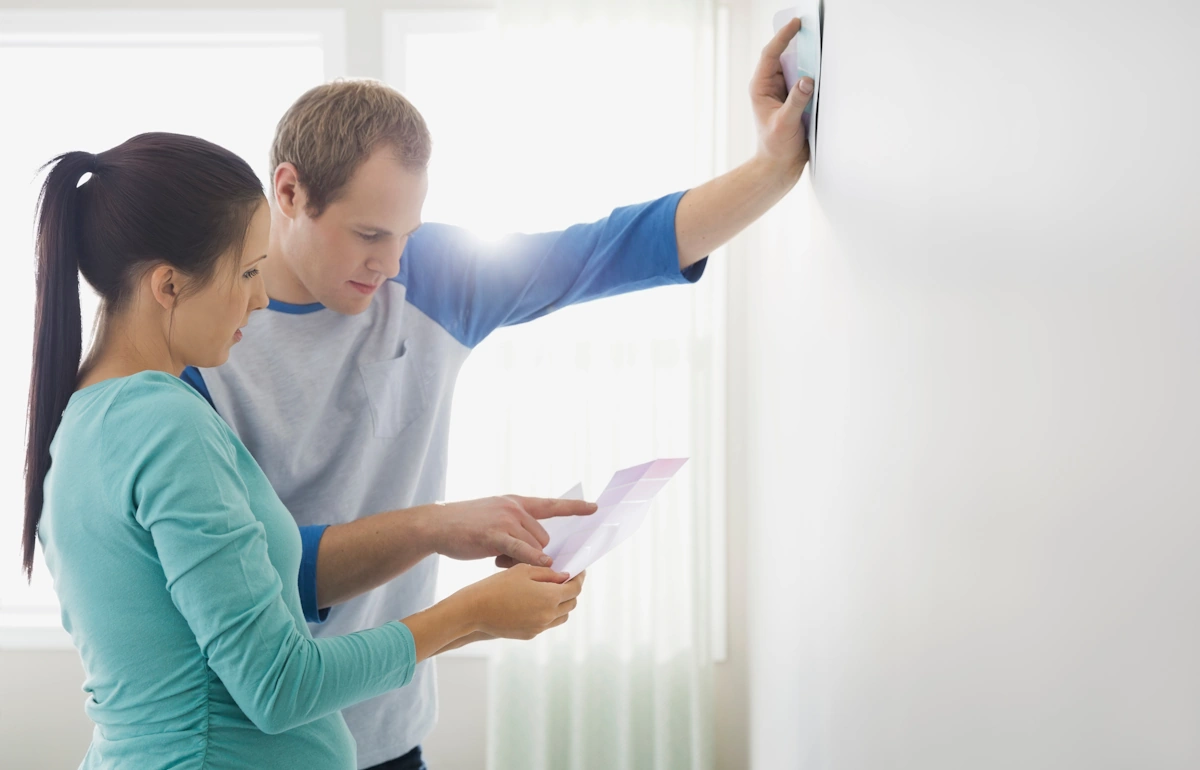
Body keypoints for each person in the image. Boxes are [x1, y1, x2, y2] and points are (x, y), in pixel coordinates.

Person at [181, 19, 816, 769]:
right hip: (260, 741)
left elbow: (609, 249)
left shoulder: (433, 276)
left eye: (405, 235)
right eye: (367, 235)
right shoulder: (203, 341)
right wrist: (441, 531)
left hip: (390, 733)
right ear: (288, 190)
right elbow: (249, 571)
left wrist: (772, 169)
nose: (388, 264)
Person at [23, 132, 585, 770]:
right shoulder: (165, 424)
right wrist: (471, 615)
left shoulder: (86, 419)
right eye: (246, 272)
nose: (260, 298)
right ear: (169, 286)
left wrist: (437, 531)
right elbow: (279, 687)